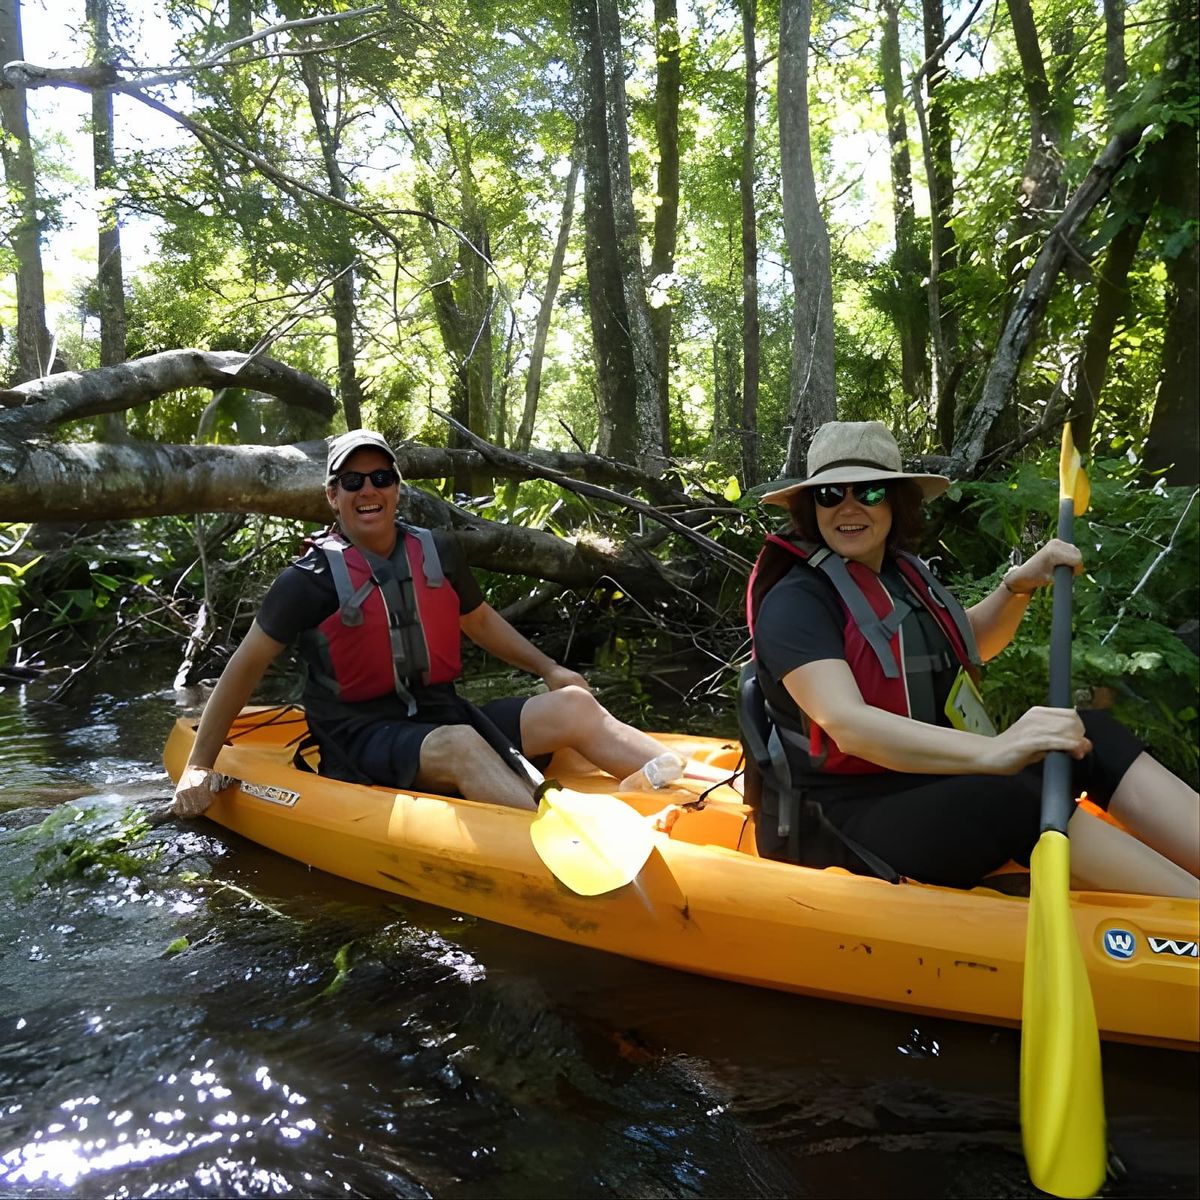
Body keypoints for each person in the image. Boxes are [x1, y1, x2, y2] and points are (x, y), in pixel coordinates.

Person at [746, 420, 1199, 897]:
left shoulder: (900, 574)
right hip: (842, 820)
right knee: (1011, 797)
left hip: (919, 781)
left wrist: (1017, 587)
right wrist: (993, 751)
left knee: (1088, 731)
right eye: (830, 494)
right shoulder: (796, 601)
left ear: (897, 501)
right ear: (810, 506)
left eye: (870, 491)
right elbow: (847, 723)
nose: (848, 507)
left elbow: (968, 644)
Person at [173, 430, 685, 817]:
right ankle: (557, 838)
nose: (367, 489)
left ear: (396, 488)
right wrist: (199, 764)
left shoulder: (438, 551)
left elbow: (479, 621)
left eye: (380, 478)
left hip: (442, 712)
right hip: (360, 736)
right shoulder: (308, 580)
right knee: (461, 744)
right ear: (333, 495)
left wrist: (550, 668)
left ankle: (693, 794)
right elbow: (245, 668)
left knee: (573, 705)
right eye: (352, 481)